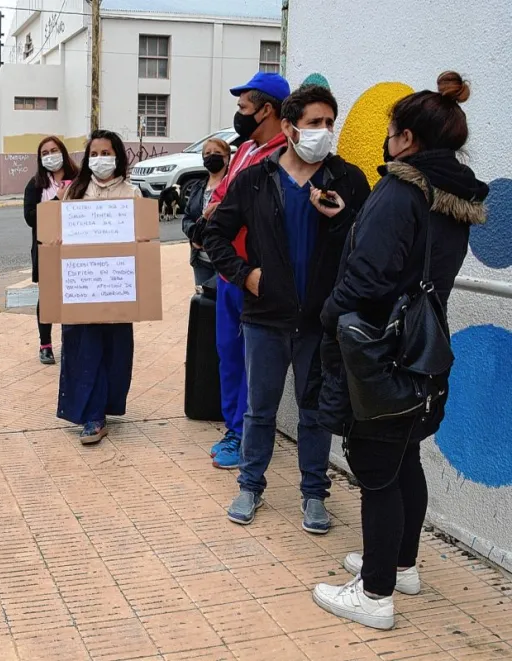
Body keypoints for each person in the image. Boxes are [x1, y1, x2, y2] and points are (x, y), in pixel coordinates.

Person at [312, 72, 488, 630]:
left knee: (376, 470)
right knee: (404, 454)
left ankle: (375, 593)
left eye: (390, 131)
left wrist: (329, 314)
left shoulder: (399, 190)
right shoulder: (453, 196)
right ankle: (401, 564)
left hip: (379, 350)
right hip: (422, 347)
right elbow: (415, 265)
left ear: (407, 138)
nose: (387, 140)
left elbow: (368, 278)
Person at [203, 85, 371, 533]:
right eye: (315, 123)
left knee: (313, 411)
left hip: (321, 320)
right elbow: (213, 235)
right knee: (260, 409)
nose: (324, 132)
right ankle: (250, 484)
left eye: (329, 123)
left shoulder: (347, 180)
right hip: (265, 317)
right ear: (290, 126)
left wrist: (340, 221)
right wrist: (245, 275)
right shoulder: (256, 178)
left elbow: (368, 245)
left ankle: (314, 494)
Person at [204, 72, 291, 470]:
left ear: (267, 110)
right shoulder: (244, 151)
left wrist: (223, 214)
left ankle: (244, 433)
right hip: (227, 272)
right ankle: (232, 426)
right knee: (228, 354)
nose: (238, 116)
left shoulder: (283, 156)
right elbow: (221, 198)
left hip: (254, 275)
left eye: (243, 108)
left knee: (252, 358)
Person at [56, 130, 140, 445]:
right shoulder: (74, 193)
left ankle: (105, 406)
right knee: (83, 349)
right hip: (81, 286)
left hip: (116, 286)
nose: (100, 159)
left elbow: (142, 241)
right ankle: (92, 416)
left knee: (115, 350)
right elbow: (56, 235)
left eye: (107, 153)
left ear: (118, 156)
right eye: (95, 153)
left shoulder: (132, 194)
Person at [23, 135, 80, 364]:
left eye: (53, 150)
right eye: (44, 153)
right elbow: (30, 218)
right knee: (47, 297)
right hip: (46, 248)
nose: (50, 156)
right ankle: (45, 344)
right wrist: (56, 200)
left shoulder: (78, 180)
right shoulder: (36, 185)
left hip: (75, 248)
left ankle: (71, 341)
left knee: (73, 294)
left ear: (63, 152)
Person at [181, 137, 230, 286]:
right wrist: (195, 235)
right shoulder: (197, 187)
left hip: (225, 259)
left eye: (217, 152)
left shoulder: (233, 185)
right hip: (200, 260)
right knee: (203, 304)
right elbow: (187, 218)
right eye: (207, 153)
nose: (211, 156)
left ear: (227, 158)